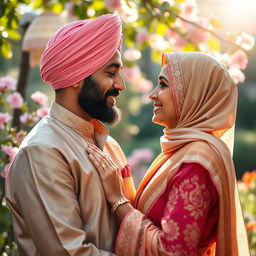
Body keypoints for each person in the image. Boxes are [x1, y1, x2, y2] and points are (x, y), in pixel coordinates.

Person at [86, 52, 251, 256]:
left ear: (194, 93)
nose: (152, 94)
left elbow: (172, 252)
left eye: (163, 85)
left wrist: (117, 199)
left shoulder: (197, 163)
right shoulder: (182, 151)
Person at [5, 14, 133, 256]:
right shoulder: (42, 152)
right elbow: (68, 252)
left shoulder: (110, 146)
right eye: (111, 72)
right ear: (76, 76)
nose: (121, 84)